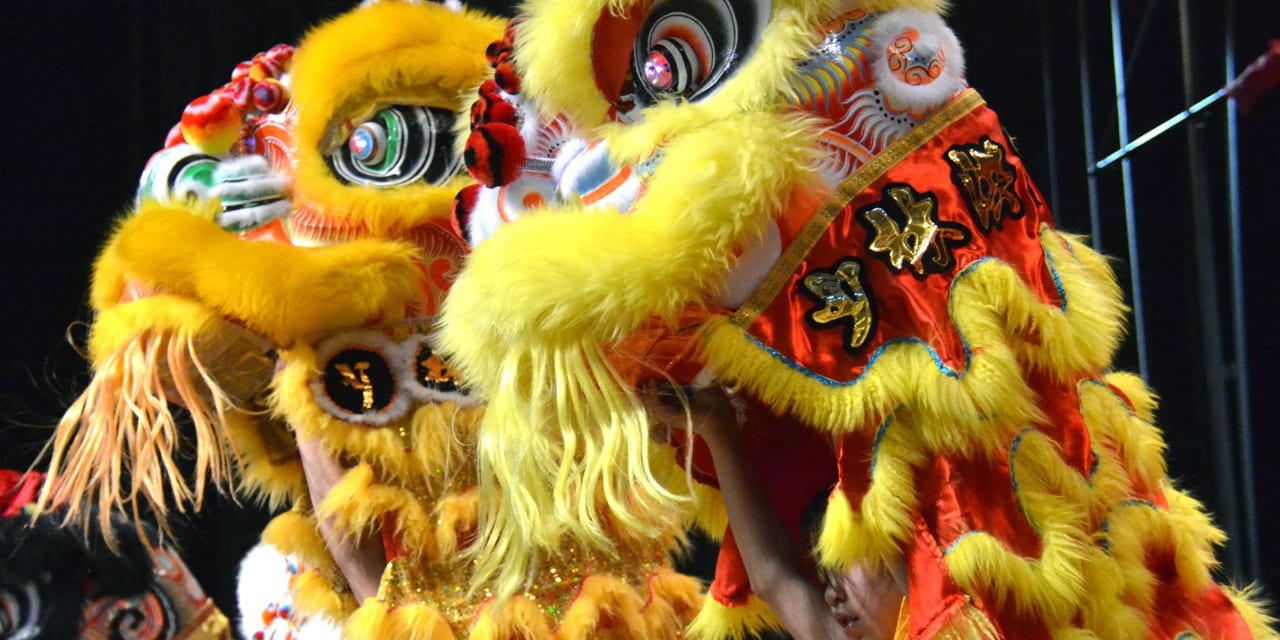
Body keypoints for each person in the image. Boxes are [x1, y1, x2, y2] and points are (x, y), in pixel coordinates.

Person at [641, 383, 907, 640]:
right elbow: (772, 578)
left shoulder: (939, 602)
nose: (830, 597)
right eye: (825, 581)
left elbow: (867, 491)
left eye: (837, 564)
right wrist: (714, 427)